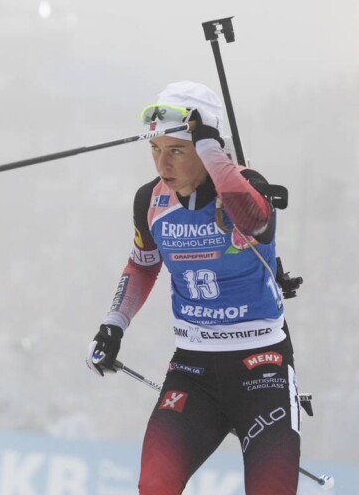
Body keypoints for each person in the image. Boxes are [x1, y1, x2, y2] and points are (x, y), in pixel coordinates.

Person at [86, 81, 301, 494]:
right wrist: (114, 324)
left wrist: (209, 145)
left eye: (176, 151)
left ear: (206, 147)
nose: (162, 163)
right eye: (155, 149)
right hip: (193, 368)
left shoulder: (246, 186)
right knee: (154, 486)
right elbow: (142, 265)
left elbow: (255, 221)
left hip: (262, 365)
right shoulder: (150, 201)